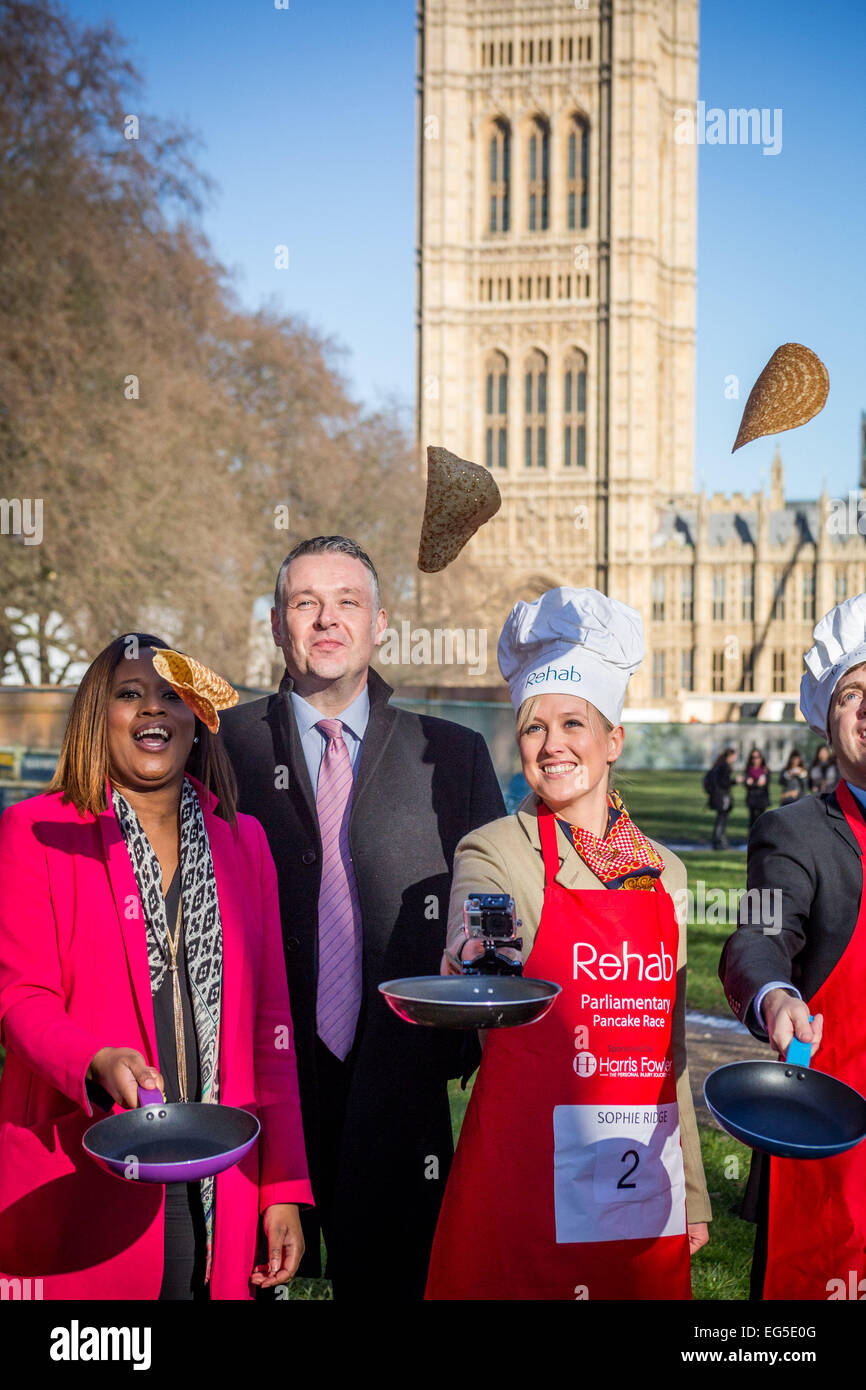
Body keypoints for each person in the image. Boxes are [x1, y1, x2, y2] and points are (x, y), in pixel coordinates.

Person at [219, 536, 505, 1300]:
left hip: (403, 1084)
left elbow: (496, 911)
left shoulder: (452, 755)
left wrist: (461, 1044)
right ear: (277, 625)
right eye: (305, 603)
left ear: (380, 624)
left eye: (348, 602)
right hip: (254, 1087)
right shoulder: (217, 747)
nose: (327, 620)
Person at [0, 635, 312, 1299]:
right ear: (97, 714)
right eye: (130, 694)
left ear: (196, 718)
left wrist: (281, 1186)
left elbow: (271, 1030)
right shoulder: (35, 831)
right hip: (87, 1168)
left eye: (172, 695)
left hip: (221, 1181)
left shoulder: (243, 839)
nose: (154, 710)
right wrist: (93, 1060)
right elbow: (20, 999)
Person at [425, 587, 711, 1300]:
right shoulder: (496, 849)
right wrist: (478, 958)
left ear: (613, 739)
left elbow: (668, 1051)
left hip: (635, 1176)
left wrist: (697, 1192)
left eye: (573, 723)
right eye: (533, 728)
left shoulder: (665, 873)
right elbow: (482, 931)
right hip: (523, 1168)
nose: (552, 745)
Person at [720, 592, 866, 1300]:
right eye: (852, 693)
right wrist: (775, 996)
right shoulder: (796, 831)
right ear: (826, 718)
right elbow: (757, 936)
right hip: (834, 1136)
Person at [705, 747, 737, 849]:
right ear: (730, 756)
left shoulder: (718, 765)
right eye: (734, 756)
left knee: (720, 818)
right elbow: (724, 782)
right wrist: (735, 781)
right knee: (722, 819)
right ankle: (719, 841)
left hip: (717, 796)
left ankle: (717, 841)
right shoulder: (725, 767)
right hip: (722, 797)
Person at [744, 748, 770, 828]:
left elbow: (765, 783)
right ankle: (751, 839)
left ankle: (761, 838)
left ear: (761, 758)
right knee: (752, 820)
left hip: (762, 798)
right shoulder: (748, 770)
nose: (755, 760)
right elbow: (746, 783)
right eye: (753, 757)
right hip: (752, 798)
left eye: (757, 757)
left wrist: (753, 783)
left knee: (762, 820)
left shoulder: (765, 770)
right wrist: (756, 783)